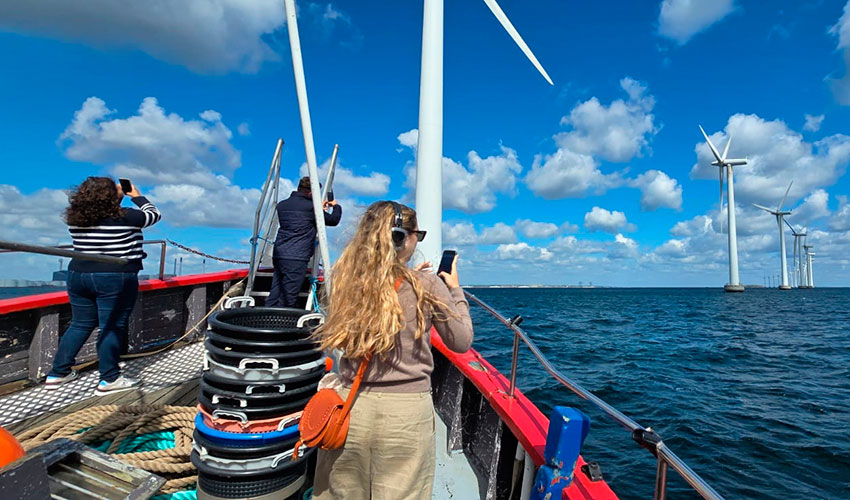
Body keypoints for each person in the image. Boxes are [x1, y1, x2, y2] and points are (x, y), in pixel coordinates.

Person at [311, 201, 473, 500]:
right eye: (417, 234)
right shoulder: (427, 284)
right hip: (405, 415)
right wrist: (453, 290)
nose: (417, 241)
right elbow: (461, 341)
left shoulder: (344, 279)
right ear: (402, 237)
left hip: (349, 406)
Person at [44, 177, 161, 396]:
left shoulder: (76, 218)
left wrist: (115, 197)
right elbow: (154, 214)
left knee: (80, 323)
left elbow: (102, 215)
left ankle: (58, 373)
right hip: (114, 275)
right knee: (112, 326)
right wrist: (136, 196)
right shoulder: (127, 216)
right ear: (109, 197)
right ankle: (109, 379)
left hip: (79, 274)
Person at [267, 176, 341, 308]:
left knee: (276, 292)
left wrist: (319, 210)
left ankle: (264, 319)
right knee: (288, 297)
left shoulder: (282, 205)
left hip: (279, 253)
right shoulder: (312, 208)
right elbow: (333, 220)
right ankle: (279, 324)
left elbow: (300, 218)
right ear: (311, 192)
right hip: (296, 257)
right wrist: (335, 206)